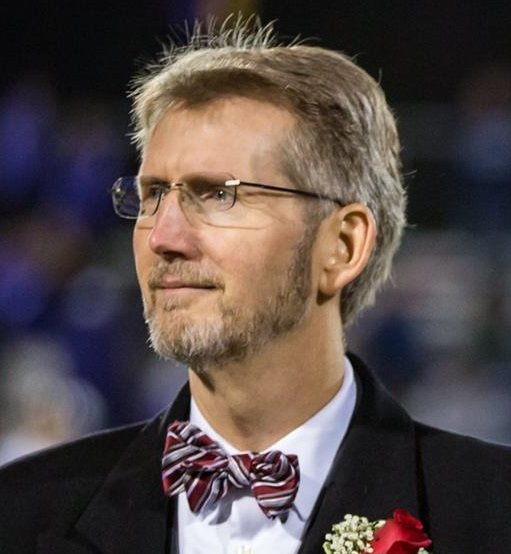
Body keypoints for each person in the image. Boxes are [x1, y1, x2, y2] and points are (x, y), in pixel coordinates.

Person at [1, 17, 510, 554]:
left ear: (342, 245)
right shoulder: (20, 513)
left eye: (218, 194)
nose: (163, 238)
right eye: (152, 195)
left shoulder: (492, 512)